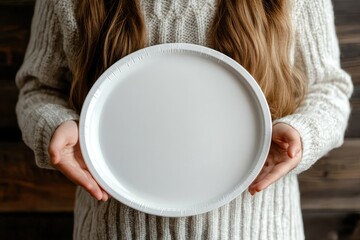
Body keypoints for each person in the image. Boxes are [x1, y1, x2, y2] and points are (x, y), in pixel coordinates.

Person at [15, 0, 353, 239]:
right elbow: (38, 88)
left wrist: (302, 133)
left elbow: (329, 89)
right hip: (114, 231)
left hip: (258, 229)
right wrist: (53, 126)